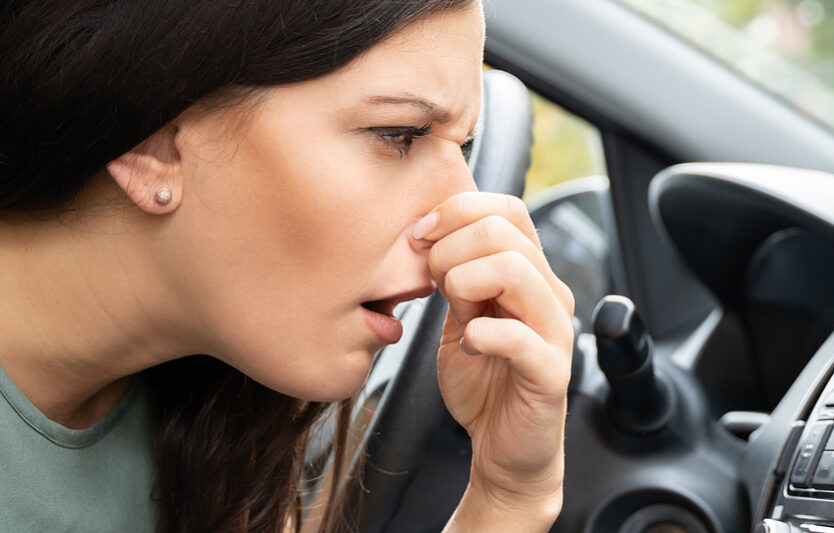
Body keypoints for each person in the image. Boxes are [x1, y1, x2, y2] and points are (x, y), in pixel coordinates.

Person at [0, 1, 574, 531]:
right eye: (398, 135)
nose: (459, 214)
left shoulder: (213, 419)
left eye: (463, 148)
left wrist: (507, 496)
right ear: (155, 143)